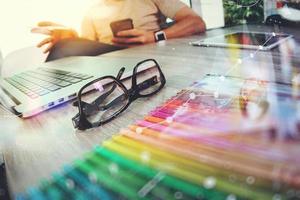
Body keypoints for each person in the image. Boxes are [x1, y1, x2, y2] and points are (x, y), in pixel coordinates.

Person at [33, 0, 206, 61]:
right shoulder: (92, 11)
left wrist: (153, 37)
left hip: (148, 55)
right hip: (109, 60)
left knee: (66, 47)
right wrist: (73, 37)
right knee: (66, 46)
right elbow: (87, 48)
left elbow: (196, 23)